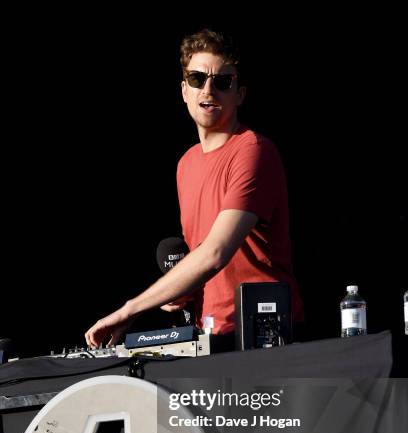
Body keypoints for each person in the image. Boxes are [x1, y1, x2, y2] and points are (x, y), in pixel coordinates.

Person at [85, 29, 302, 348]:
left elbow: (214, 253)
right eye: (198, 78)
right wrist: (179, 290)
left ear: (240, 93)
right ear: (184, 90)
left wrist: (130, 310)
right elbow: (201, 255)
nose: (209, 89)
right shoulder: (186, 164)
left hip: (263, 335)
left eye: (223, 81)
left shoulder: (253, 150)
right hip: (209, 333)